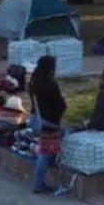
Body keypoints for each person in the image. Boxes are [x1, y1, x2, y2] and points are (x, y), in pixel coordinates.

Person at [29, 55, 67, 195]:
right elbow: (60, 105)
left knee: (53, 144)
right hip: (48, 123)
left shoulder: (34, 82)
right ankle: (38, 185)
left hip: (35, 120)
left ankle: (51, 161)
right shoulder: (50, 85)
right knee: (44, 154)